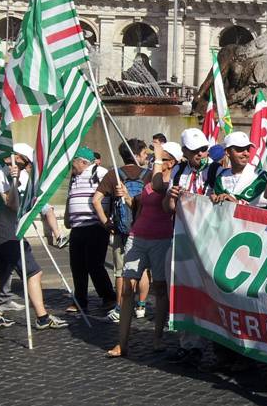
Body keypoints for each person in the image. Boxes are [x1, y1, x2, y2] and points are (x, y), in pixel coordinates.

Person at [106, 141, 182, 358]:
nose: (154, 161)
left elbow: (160, 190)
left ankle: (157, 337)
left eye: (162, 158)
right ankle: (122, 343)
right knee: (128, 287)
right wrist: (128, 199)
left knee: (160, 289)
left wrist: (157, 157)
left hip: (161, 240)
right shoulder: (149, 177)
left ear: (172, 162)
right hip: (138, 236)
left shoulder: (171, 181)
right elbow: (142, 205)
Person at [0, 144, 67, 330]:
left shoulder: (22, 175)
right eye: (26, 162)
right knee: (34, 272)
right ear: (17, 157)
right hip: (7, 235)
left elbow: (29, 202)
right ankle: (42, 317)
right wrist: (15, 182)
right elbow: (12, 205)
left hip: (8, 233)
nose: (27, 166)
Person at [159, 129, 214, 366]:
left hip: (208, 240)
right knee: (181, 289)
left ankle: (217, 342)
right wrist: (171, 197)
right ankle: (188, 343)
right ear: (184, 152)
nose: (202, 154)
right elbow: (167, 208)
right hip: (182, 239)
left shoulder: (214, 170)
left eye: (204, 149)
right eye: (196, 151)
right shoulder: (179, 172)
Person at [93, 139, 151, 323]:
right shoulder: (148, 175)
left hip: (121, 230)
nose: (146, 156)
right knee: (142, 270)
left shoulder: (113, 175)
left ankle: (120, 308)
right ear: (137, 155)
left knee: (120, 271)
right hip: (143, 228)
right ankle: (141, 306)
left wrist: (106, 222)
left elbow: (96, 200)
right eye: (144, 153)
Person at [65, 146, 115, 314]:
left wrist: (107, 217)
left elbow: (111, 190)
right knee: (77, 265)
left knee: (94, 264)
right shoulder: (74, 177)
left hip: (96, 226)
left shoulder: (99, 171)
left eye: (74, 162)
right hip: (77, 227)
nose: (71, 165)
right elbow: (70, 197)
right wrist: (67, 217)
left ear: (83, 161)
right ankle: (80, 300)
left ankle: (108, 296)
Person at [210, 131, 267, 208]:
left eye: (248, 149)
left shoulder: (261, 176)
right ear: (228, 152)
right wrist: (213, 199)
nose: (246, 153)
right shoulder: (221, 177)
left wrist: (236, 202)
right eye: (240, 149)